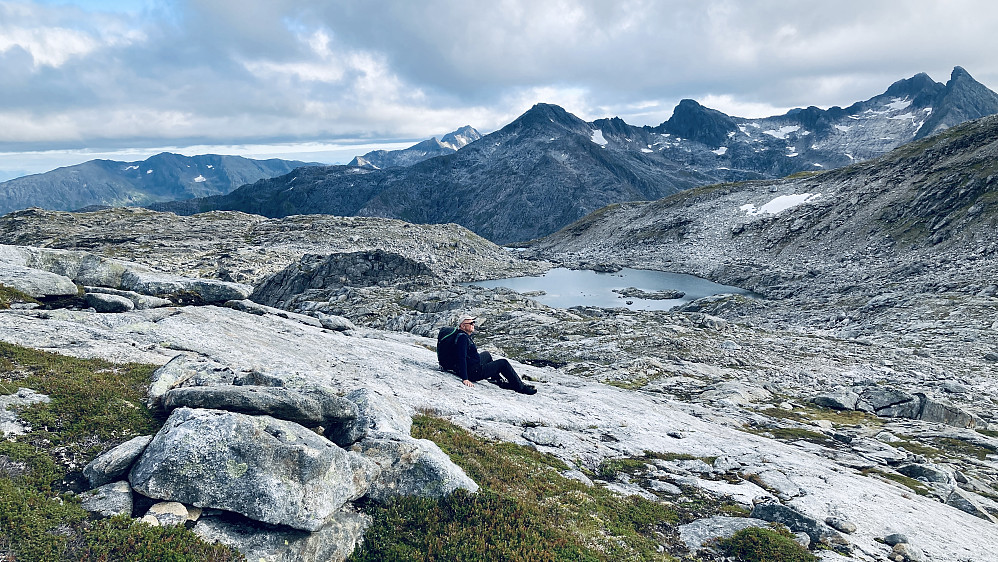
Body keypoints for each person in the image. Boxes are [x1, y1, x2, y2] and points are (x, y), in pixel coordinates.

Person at [438, 315, 536, 395]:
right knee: (503, 363)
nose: (473, 325)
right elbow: (461, 357)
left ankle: (497, 380)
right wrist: (465, 379)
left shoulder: (461, 335)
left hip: (472, 365)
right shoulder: (463, 338)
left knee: (487, 355)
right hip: (474, 372)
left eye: (473, 322)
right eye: (471, 323)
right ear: (463, 326)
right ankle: (521, 388)